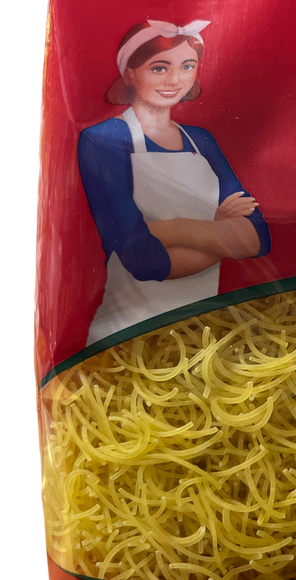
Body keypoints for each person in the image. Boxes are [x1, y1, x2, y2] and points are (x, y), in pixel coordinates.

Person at [78, 19, 271, 345]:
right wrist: (219, 231)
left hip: (207, 333)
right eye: (159, 68)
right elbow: (142, 259)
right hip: (128, 337)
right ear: (129, 73)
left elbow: (257, 238)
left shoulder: (202, 140)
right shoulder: (104, 139)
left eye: (187, 66)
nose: (174, 79)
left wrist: (164, 230)